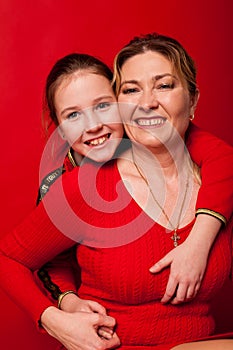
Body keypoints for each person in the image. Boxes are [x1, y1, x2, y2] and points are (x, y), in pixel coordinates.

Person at [0, 34, 232, 350]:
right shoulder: (81, 186)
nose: (147, 102)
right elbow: (15, 259)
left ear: (192, 101)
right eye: (132, 89)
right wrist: (56, 317)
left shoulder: (218, 174)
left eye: (164, 85)